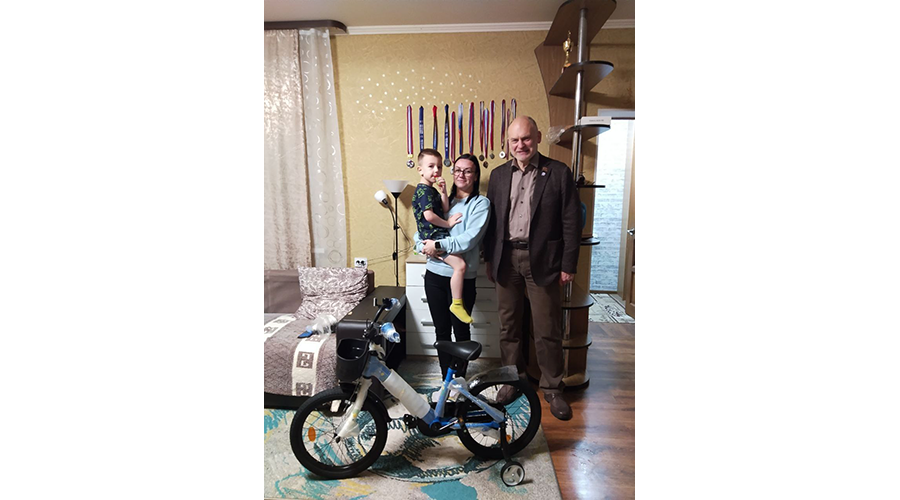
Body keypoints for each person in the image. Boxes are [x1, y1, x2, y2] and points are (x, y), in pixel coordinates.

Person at [483, 116, 580, 421]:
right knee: (509, 327)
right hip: (506, 259)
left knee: (547, 328)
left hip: (545, 261)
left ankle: (552, 387)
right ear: (508, 142)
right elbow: (491, 222)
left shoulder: (559, 172)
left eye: (526, 138)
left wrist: (568, 264)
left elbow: (571, 221)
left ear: (537, 137)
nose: (520, 145)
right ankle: (513, 380)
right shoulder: (498, 175)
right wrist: (489, 259)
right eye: (514, 140)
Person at [415, 153, 491, 398]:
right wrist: (421, 245)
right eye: (457, 169)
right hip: (434, 276)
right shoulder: (439, 200)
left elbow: (468, 240)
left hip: (462, 280)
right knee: (441, 332)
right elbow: (422, 228)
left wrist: (436, 246)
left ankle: (458, 382)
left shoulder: (480, 204)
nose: (461, 174)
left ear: (475, 175)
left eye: (468, 171)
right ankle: (444, 381)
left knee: (461, 333)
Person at [412, 148, 473, 324]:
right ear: (420, 170)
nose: (436, 170)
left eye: (439, 166)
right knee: (460, 265)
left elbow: (445, 208)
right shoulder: (423, 191)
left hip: (436, 236)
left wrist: (444, 191)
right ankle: (457, 303)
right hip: (434, 236)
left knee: (459, 265)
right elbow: (429, 216)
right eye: (431, 166)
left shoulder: (431, 190)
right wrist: (448, 224)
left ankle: (456, 303)